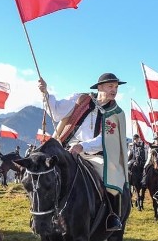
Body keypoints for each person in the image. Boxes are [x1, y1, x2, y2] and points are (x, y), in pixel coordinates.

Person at [39, 72, 129, 231]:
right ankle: (42, 214)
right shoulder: (80, 99)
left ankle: (112, 216)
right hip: (66, 149)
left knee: (113, 177)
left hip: (95, 154)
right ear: (100, 87)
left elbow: (107, 140)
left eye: (116, 87)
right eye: (110, 86)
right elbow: (57, 111)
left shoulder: (116, 113)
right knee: (42, 171)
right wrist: (45, 93)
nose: (114, 90)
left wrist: (83, 146)